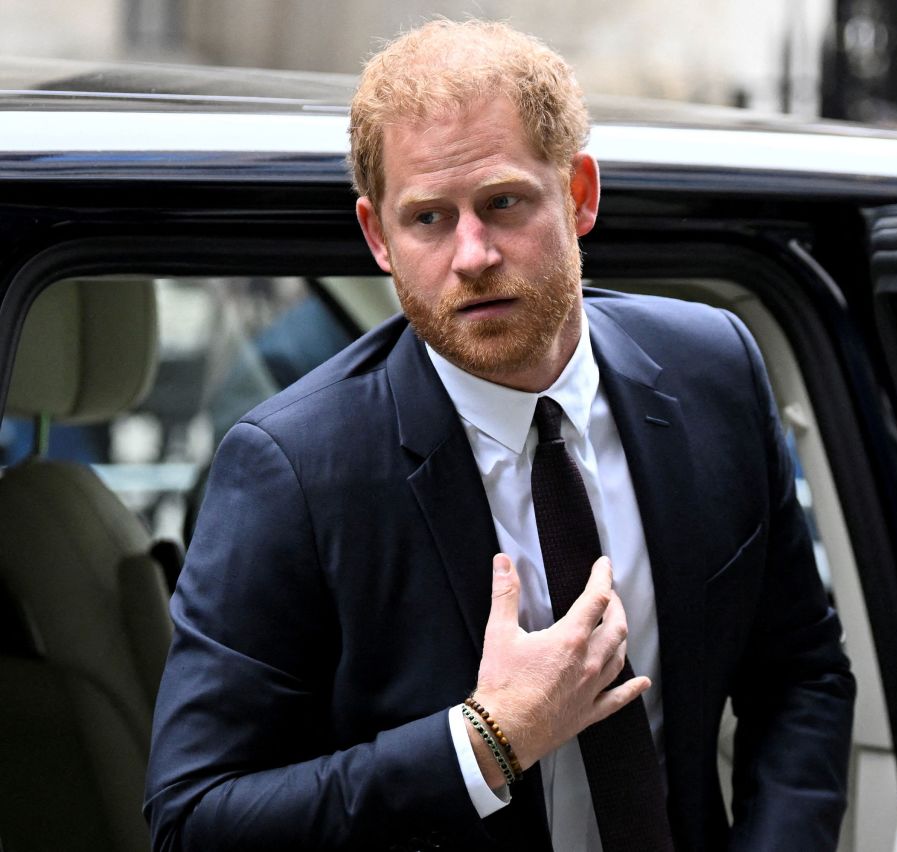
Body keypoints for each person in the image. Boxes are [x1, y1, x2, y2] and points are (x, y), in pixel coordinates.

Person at [145, 19, 854, 852]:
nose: (473, 253)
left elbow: (802, 672)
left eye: (503, 203)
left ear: (580, 192)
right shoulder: (295, 468)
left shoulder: (713, 370)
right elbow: (194, 819)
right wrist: (487, 743)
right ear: (377, 236)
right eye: (429, 219)